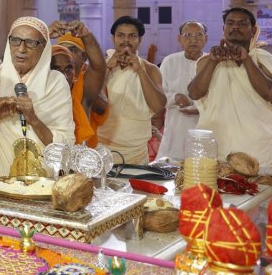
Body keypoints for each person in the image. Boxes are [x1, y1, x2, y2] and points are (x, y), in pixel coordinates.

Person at [0, 17, 75, 182]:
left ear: (44, 47)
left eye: (31, 42)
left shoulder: (56, 82)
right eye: (16, 40)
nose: (21, 49)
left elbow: (65, 145)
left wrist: (33, 118)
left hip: (43, 185)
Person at [189, 8, 272, 164]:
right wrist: (213, 62)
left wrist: (247, 60)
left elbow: (269, 94)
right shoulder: (207, 61)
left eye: (242, 23)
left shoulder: (263, 59)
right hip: (217, 146)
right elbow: (194, 93)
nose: (235, 27)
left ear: (253, 30)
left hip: (258, 149)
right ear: (223, 28)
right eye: (230, 23)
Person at [96, 16, 166, 164]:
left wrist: (140, 71)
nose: (125, 40)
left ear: (140, 39)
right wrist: (107, 68)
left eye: (132, 36)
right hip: (101, 148)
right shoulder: (100, 66)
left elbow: (158, 106)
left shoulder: (150, 69)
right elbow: (92, 103)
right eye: (120, 35)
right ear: (113, 38)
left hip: (137, 152)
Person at [49, 21, 107, 146]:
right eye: (63, 48)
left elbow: (99, 67)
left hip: (80, 158)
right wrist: (44, 34)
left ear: (84, 57)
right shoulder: (43, 85)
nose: (67, 53)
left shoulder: (83, 86)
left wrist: (87, 36)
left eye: (73, 50)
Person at [157, 21, 208, 160]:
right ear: (179, 39)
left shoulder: (211, 62)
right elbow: (159, 96)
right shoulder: (169, 61)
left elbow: (221, 97)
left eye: (198, 35)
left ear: (206, 38)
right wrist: (175, 97)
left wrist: (200, 107)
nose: (193, 40)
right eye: (188, 35)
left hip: (205, 131)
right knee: (170, 172)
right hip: (176, 133)